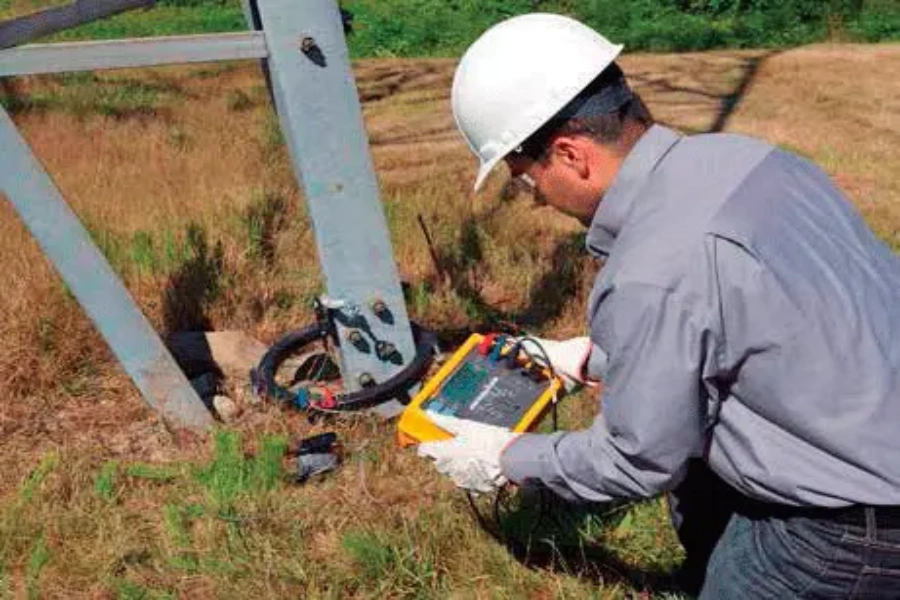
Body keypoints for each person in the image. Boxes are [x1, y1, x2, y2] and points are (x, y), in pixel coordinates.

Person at [417, 12, 900, 598]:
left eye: (524, 179)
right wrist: (588, 359)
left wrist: (508, 458)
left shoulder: (650, 271)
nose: (536, 200)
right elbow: (757, 321)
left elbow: (636, 460)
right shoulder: (750, 159)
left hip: (855, 527)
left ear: (571, 154)